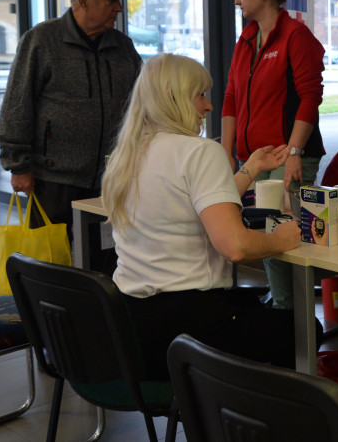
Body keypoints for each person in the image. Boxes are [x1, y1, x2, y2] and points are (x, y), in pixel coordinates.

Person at [102, 53, 318, 380]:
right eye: (201, 95)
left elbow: (195, 201)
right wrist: (283, 239)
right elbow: (236, 247)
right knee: (305, 327)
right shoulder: (200, 151)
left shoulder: (129, 152)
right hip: (192, 331)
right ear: (174, 98)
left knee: (255, 309)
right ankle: (264, 413)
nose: (209, 106)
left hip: (132, 327)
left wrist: (249, 170)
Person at [0, 0, 142, 262]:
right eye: (111, 0)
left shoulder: (123, 46)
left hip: (111, 179)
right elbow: (17, 104)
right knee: (53, 262)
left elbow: (142, 102)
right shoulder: (41, 40)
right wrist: (18, 165)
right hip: (54, 180)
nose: (119, 8)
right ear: (84, 0)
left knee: (107, 259)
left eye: (119, 1)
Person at [221, 0, 326, 310]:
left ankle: (293, 319)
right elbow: (232, 97)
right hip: (253, 158)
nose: (237, 0)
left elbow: (310, 97)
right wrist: (225, 152)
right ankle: (284, 310)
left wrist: (295, 150)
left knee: (284, 237)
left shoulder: (296, 35)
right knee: (264, 236)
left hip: (287, 154)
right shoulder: (247, 38)